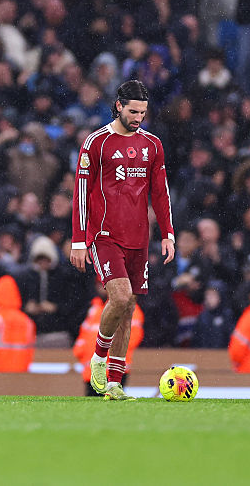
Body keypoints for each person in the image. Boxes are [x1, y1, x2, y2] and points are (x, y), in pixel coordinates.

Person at [69, 79, 176, 400]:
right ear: (118, 106)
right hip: (104, 235)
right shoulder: (96, 142)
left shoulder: (153, 145)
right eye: (132, 111)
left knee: (128, 307)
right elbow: (81, 193)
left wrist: (168, 234)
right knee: (119, 297)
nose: (138, 117)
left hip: (139, 238)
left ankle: (115, 383)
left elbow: (160, 193)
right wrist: (78, 240)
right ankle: (99, 358)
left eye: (142, 112)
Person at [73, 279, 143, 396]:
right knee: (91, 408)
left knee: (111, 406)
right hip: (91, 370)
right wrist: (80, 352)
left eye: (104, 284)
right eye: (99, 284)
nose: (102, 287)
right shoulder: (94, 308)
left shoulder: (129, 308)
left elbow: (132, 337)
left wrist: (110, 355)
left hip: (114, 369)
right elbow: (84, 335)